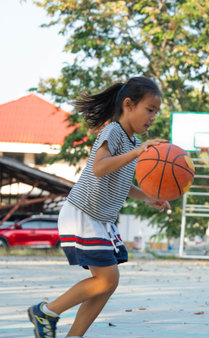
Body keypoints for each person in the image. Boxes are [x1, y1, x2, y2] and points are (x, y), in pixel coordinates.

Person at [27, 77, 170, 338]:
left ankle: (73, 334)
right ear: (129, 105)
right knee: (107, 279)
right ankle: (46, 311)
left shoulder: (133, 142)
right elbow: (100, 167)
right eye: (149, 109)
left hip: (100, 219)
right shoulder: (113, 131)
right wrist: (138, 154)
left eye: (156, 112)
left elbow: (121, 181)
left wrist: (148, 196)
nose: (153, 117)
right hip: (83, 213)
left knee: (107, 284)